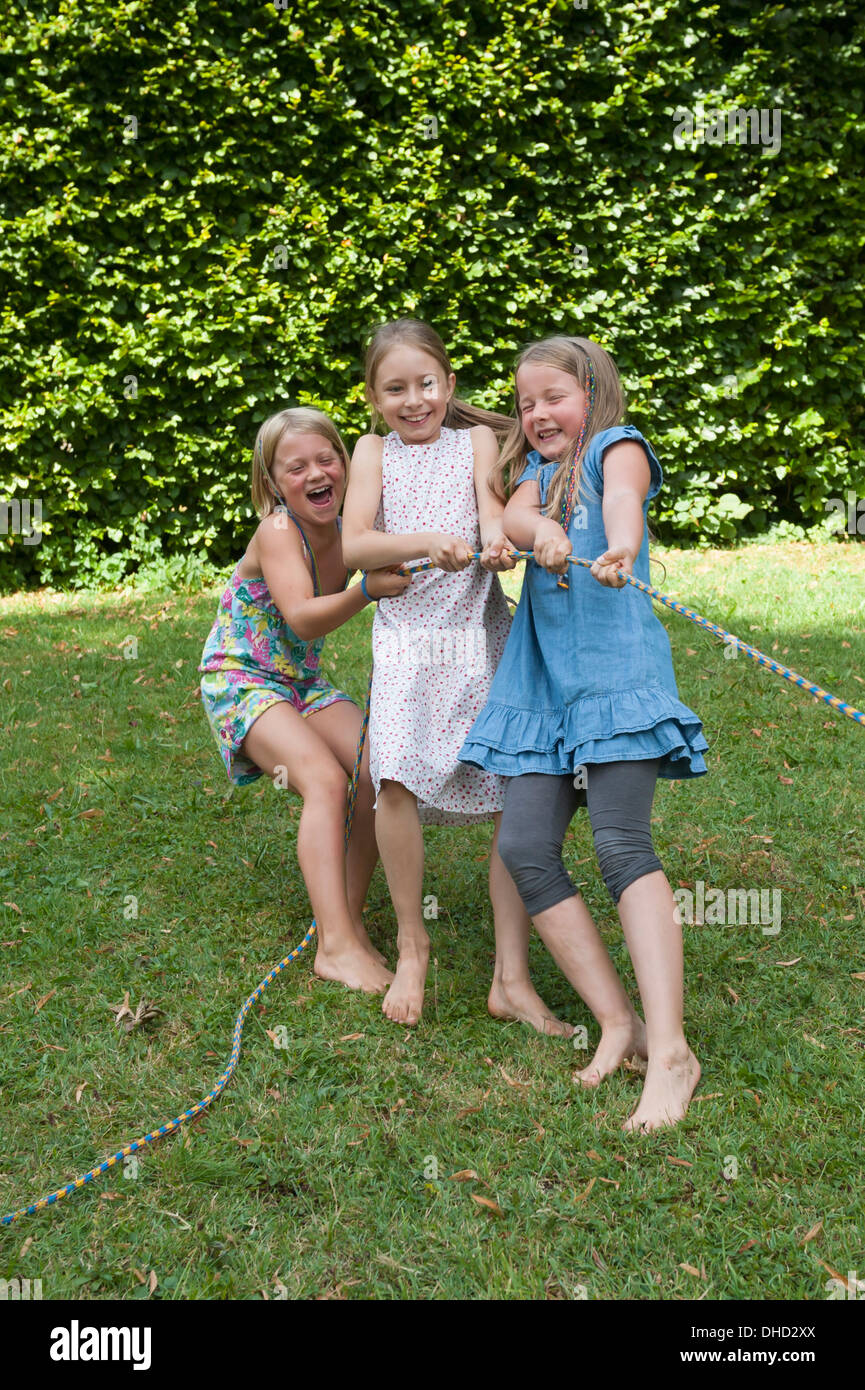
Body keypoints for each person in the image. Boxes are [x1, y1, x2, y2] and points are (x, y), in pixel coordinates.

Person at [459, 335, 709, 1130]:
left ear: (594, 395)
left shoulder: (614, 448)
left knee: (620, 845)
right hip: (539, 688)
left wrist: (619, 545)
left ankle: (671, 1050)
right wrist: (538, 537)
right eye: (525, 402)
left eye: (553, 397)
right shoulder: (530, 481)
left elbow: (623, 504)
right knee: (524, 846)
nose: (536, 413)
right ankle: (618, 1022)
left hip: (614, 675)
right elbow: (519, 518)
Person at [342, 319, 571, 1033]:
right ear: (374, 398)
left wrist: (496, 540)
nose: (414, 400)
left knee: (510, 786)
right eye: (395, 389)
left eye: (426, 384)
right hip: (411, 640)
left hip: (477, 633)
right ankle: (413, 946)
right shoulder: (371, 451)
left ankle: (511, 974)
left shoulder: (473, 442)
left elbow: (490, 511)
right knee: (396, 779)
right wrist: (424, 543)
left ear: (449, 384)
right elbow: (355, 541)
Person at [199, 407, 408, 994]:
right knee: (323, 780)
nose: (316, 473)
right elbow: (302, 618)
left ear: (345, 465)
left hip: (301, 682)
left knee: (378, 768)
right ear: (272, 483)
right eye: (297, 467)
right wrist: (365, 589)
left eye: (327, 459)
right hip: (241, 678)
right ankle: (336, 948)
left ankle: (343, 920)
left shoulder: (350, 532)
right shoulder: (278, 531)